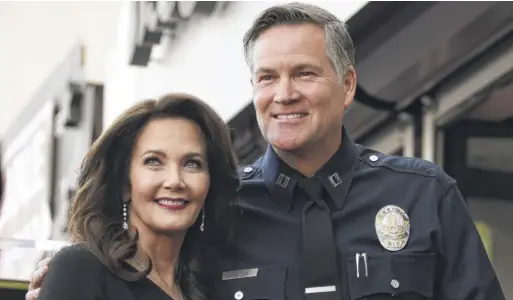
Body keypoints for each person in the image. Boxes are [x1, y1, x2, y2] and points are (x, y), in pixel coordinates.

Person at [28, 2, 505, 300]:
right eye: (267, 77)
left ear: (347, 85)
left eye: (304, 73)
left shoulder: (425, 196)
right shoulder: (215, 213)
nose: (284, 94)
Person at [29, 93, 240, 300]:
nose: (175, 180)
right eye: (154, 161)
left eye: (192, 163)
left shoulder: (211, 288)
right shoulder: (81, 269)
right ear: (123, 183)